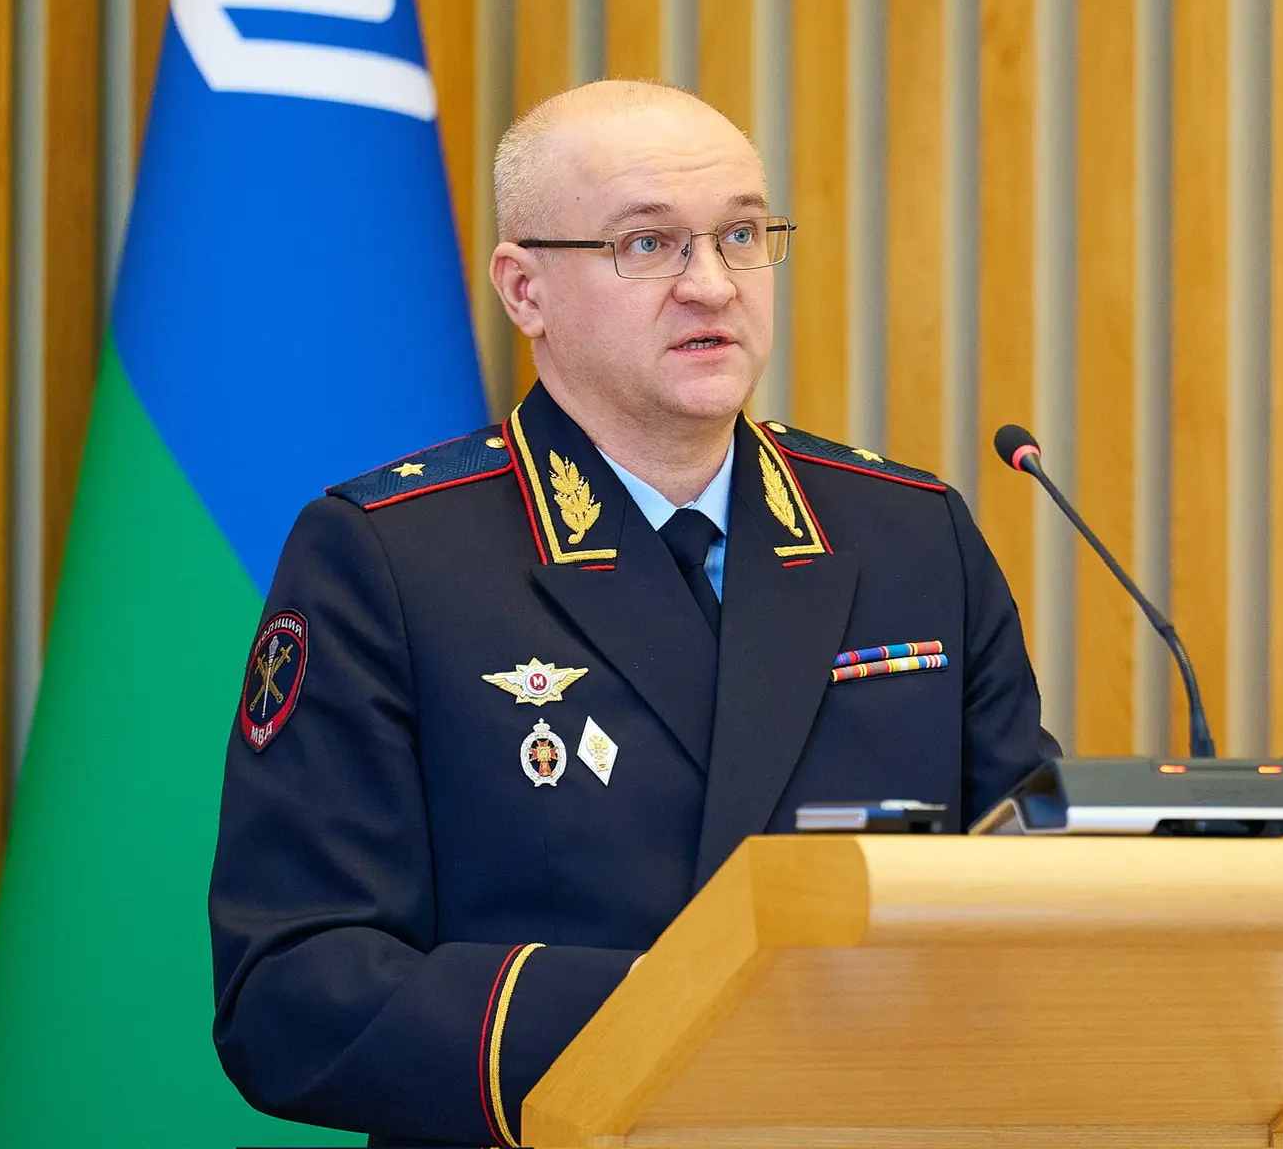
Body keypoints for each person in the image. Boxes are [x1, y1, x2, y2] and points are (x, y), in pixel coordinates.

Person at [208, 80, 1055, 1147]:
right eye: (648, 245)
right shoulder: (388, 556)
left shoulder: (909, 532)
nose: (712, 285)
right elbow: (293, 983)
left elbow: (1031, 878)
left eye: (741, 235)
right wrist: (691, 1016)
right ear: (525, 290)